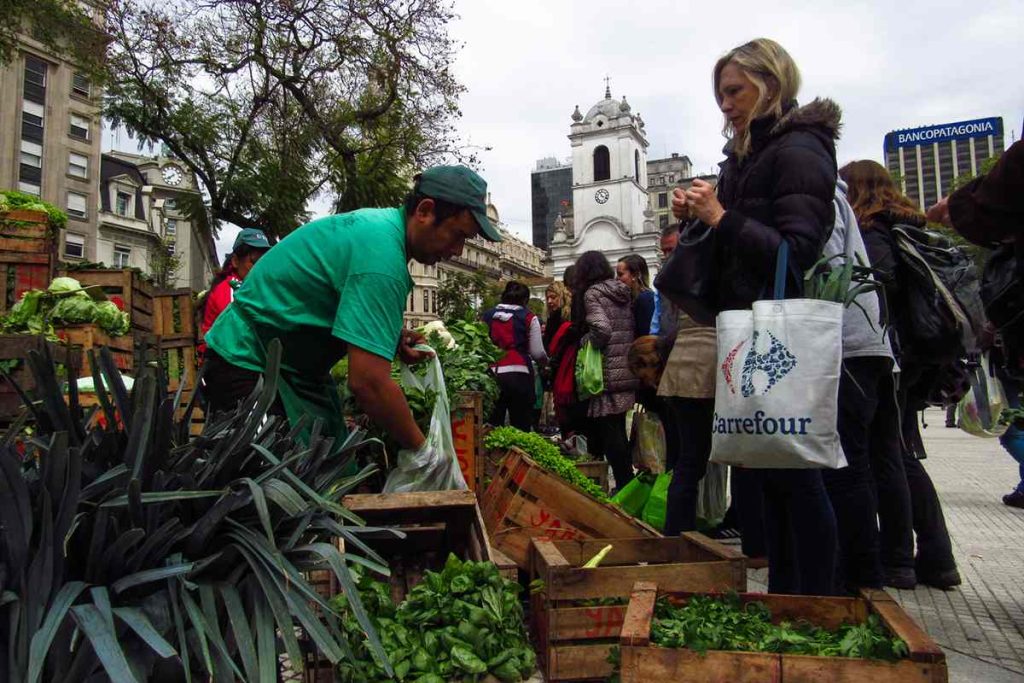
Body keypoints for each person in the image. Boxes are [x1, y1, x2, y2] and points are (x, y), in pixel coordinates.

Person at [671, 38, 838, 595]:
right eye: (720, 93)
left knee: (796, 472)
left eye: (735, 90)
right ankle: (791, 595)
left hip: (779, 330)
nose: (725, 103)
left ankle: (813, 597)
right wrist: (702, 212)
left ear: (772, 83)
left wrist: (719, 216)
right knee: (772, 474)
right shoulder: (748, 154)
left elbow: (798, 250)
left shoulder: (798, 150)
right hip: (750, 325)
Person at [204, 166, 503, 463]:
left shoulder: (382, 231)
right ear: (425, 211)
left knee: (325, 472)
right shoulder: (381, 259)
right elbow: (368, 383)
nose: (457, 250)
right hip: (246, 361)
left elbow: (329, 300)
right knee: (273, 486)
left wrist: (390, 336)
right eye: (457, 235)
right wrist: (425, 453)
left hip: (290, 368)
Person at [841, 159, 961, 588]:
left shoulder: (874, 231)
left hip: (892, 355)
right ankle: (935, 555)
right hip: (918, 354)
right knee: (899, 452)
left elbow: (874, 284)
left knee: (889, 455)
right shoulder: (910, 225)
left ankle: (900, 558)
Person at [819, 179, 899, 593]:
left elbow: (828, 275)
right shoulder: (829, 194)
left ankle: (858, 586)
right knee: (855, 466)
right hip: (858, 344)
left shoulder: (818, 194)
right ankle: (862, 577)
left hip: (844, 345)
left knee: (844, 468)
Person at [572, 250, 638, 490]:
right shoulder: (622, 292)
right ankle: (626, 484)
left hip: (606, 372)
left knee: (612, 436)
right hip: (626, 369)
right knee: (619, 431)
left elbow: (602, 330)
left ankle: (624, 487)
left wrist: (586, 341)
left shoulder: (592, 294)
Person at [482, 281, 548, 430]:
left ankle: (494, 453)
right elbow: (537, 353)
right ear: (525, 300)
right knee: (521, 426)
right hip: (520, 375)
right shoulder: (529, 317)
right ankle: (519, 453)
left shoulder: (487, 316)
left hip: (492, 375)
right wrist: (547, 363)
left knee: (492, 427)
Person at [197, 228, 271, 356]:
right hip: (224, 362)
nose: (261, 266)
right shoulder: (230, 288)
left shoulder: (250, 288)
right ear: (236, 261)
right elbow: (240, 331)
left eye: (265, 260)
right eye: (255, 260)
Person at [616, 255, 656, 338]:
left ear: (634, 275)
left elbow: (646, 334)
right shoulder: (630, 298)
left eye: (620, 274)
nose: (616, 279)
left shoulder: (645, 298)